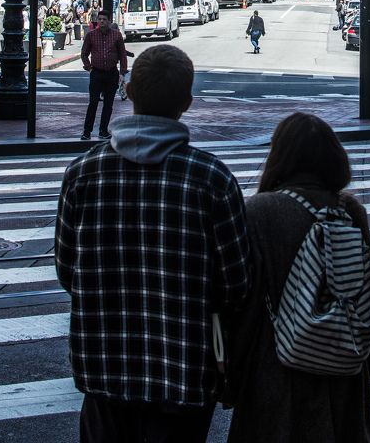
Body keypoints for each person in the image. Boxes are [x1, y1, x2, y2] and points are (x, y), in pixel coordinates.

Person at [55, 44, 251, 443]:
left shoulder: (82, 174)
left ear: (127, 90)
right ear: (187, 102)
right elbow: (236, 283)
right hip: (183, 368)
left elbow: (67, 270)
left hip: (102, 366)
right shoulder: (211, 178)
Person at [226, 112, 370, 443]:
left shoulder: (259, 211)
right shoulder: (351, 212)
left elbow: (245, 306)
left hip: (275, 376)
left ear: (278, 157)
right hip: (343, 378)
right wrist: (365, 368)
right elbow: (364, 298)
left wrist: (232, 375)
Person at [80, 9, 128, 140]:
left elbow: (123, 55)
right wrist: (89, 68)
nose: (101, 21)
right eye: (100, 19)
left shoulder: (116, 35)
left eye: (104, 19)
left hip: (112, 72)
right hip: (96, 72)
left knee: (108, 104)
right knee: (93, 102)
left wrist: (122, 72)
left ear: (109, 21)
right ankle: (87, 131)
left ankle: (103, 130)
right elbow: (84, 53)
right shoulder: (91, 35)